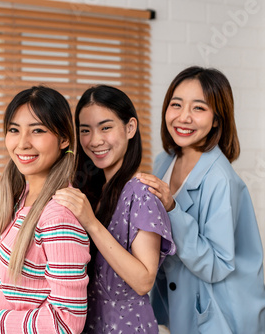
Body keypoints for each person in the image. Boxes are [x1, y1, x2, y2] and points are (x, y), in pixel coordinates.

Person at [137, 66, 265, 333]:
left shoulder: (221, 179)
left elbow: (217, 265)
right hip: (182, 306)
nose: (183, 117)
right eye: (176, 104)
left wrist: (172, 208)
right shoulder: (165, 161)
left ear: (217, 119)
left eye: (199, 108)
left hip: (224, 314)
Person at [0, 86, 90, 334]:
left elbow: (66, 323)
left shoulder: (57, 216)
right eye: (14, 130)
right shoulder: (22, 197)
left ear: (64, 139)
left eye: (37, 130)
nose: (22, 143)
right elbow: (32, 287)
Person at [53, 85, 176, 333]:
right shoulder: (90, 190)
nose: (95, 140)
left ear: (130, 128)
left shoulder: (141, 193)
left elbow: (144, 280)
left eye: (105, 127)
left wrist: (91, 223)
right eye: (85, 130)